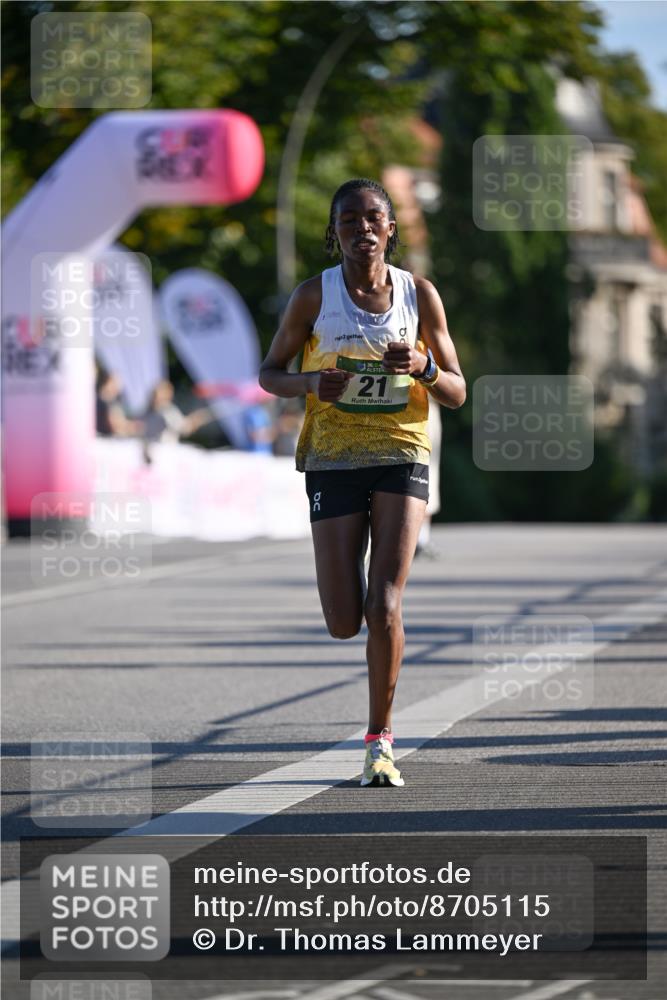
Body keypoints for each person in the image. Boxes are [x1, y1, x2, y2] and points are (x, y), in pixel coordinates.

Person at [259, 179, 465, 787]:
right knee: (344, 619)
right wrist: (308, 383)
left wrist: (425, 367)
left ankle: (379, 739)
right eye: (349, 220)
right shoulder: (311, 297)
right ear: (336, 230)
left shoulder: (419, 295)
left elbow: (456, 391)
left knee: (385, 604)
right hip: (332, 459)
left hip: (401, 454)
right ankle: (373, 710)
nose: (362, 229)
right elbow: (270, 372)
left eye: (373, 218)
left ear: (390, 228)